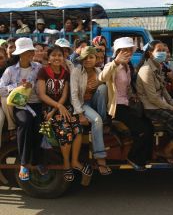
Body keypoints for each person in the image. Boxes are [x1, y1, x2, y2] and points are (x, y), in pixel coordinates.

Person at [37, 46, 92, 181]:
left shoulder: (65, 73)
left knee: (78, 129)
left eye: (60, 55)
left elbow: (65, 93)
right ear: (48, 58)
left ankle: (74, 161)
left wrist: (60, 106)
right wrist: (56, 108)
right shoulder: (43, 72)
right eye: (54, 55)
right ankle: (66, 164)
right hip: (49, 109)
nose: (57, 58)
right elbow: (42, 95)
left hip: (62, 106)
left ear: (63, 58)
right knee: (65, 132)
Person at [99, 37, 154, 170]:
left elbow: (127, 87)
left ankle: (145, 156)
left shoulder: (127, 67)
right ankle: (133, 157)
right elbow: (102, 77)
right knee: (142, 130)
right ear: (117, 52)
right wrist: (116, 62)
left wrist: (133, 96)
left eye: (130, 50)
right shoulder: (112, 65)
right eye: (124, 50)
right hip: (116, 107)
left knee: (149, 126)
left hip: (127, 104)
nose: (128, 52)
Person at [136, 40, 173, 161]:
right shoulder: (146, 70)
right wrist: (172, 108)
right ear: (150, 53)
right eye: (159, 50)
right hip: (151, 108)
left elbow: (164, 92)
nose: (163, 53)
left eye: (164, 50)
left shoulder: (158, 67)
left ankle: (171, 152)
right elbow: (153, 98)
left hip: (160, 106)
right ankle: (166, 151)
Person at [0, 38, 44, 181]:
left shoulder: (38, 67)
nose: (30, 53)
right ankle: (23, 163)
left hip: (36, 103)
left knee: (39, 127)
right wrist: (17, 86)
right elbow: (0, 89)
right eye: (27, 51)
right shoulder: (10, 70)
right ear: (20, 53)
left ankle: (37, 160)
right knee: (25, 123)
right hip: (20, 105)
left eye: (30, 51)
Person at [70, 46, 111, 175]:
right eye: (85, 58)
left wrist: (99, 83)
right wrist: (80, 114)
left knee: (103, 88)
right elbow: (74, 95)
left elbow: (107, 90)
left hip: (95, 103)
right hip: (82, 104)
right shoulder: (76, 71)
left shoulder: (99, 71)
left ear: (95, 59)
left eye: (91, 57)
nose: (88, 60)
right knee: (97, 120)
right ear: (81, 59)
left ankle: (103, 123)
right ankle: (100, 158)